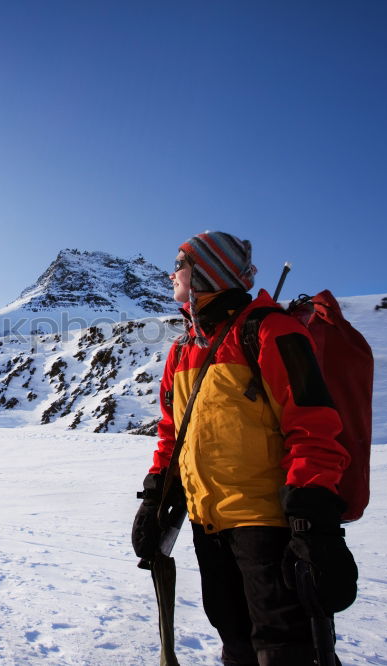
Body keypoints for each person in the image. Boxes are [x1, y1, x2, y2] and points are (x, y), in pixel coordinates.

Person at [132, 231, 355, 666]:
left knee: (283, 647)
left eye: (180, 264)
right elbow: (172, 435)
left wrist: (314, 519)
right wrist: (156, 494)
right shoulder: (182, 349)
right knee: (234, 638)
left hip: (267, 525)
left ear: (204, 274)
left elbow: (313, 426)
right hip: (208, 524)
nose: (172, 273)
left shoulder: (272, 331)